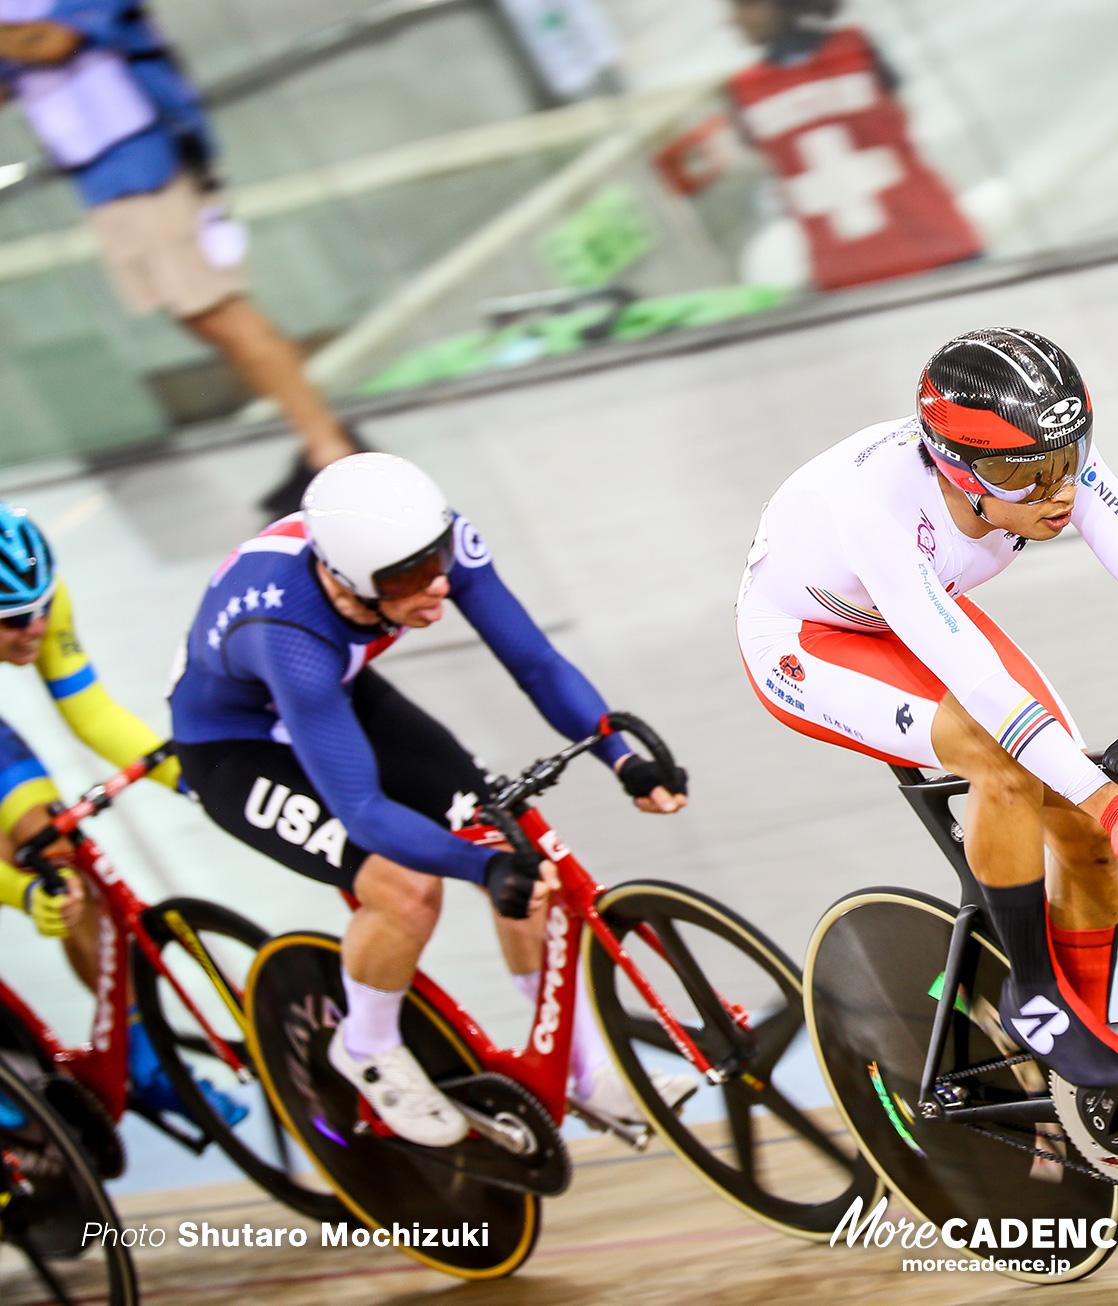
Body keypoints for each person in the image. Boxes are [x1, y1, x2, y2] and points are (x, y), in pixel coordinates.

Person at [736, 328, 1118, 1135]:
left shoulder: (1049, 458)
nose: (1057, 490)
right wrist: (1105, 796)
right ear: (957, 466)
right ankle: (1034, 993)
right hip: (807, 642)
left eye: (1069, 460)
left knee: (1084, 825)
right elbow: (983, 688)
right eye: (1025, 477)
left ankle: (1081, 1049)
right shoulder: (878, 509)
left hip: (920, 616)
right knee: (1005, 760)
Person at [168, 453, 691, 1146]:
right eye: (411, 580)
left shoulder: (416, 546)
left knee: (513, 845)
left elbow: (535, 662)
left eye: (438, 560)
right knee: (407, 888)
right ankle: (366, 1050)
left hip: (337, 694)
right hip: (235, 743)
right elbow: (363, 813)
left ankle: (584, 1070)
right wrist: (478, 872)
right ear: (344, 581)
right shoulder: (289, 636)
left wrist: (617, 754)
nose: (438, 586)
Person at [0, 4, 358, 515]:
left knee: (220, 310)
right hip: (99, 175)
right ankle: (321, 442)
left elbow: (55, 41)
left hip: (149, 160)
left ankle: (331, 449)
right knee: (200, 317)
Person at [0, 500, 243, 1125]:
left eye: (42, 607)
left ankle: (140, 1058)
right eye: (13, 619)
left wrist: (197, 781)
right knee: (26, 880)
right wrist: (20, 895)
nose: (35, 626)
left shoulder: (41, 599)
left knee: (59, 855)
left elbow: (94, 715)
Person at [725, 0, 983, 291]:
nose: (732, 21)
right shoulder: (854, 50)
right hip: (893, 257)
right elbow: (902, 115)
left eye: (741, 7)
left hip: (913, 253)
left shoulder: (749, 92)